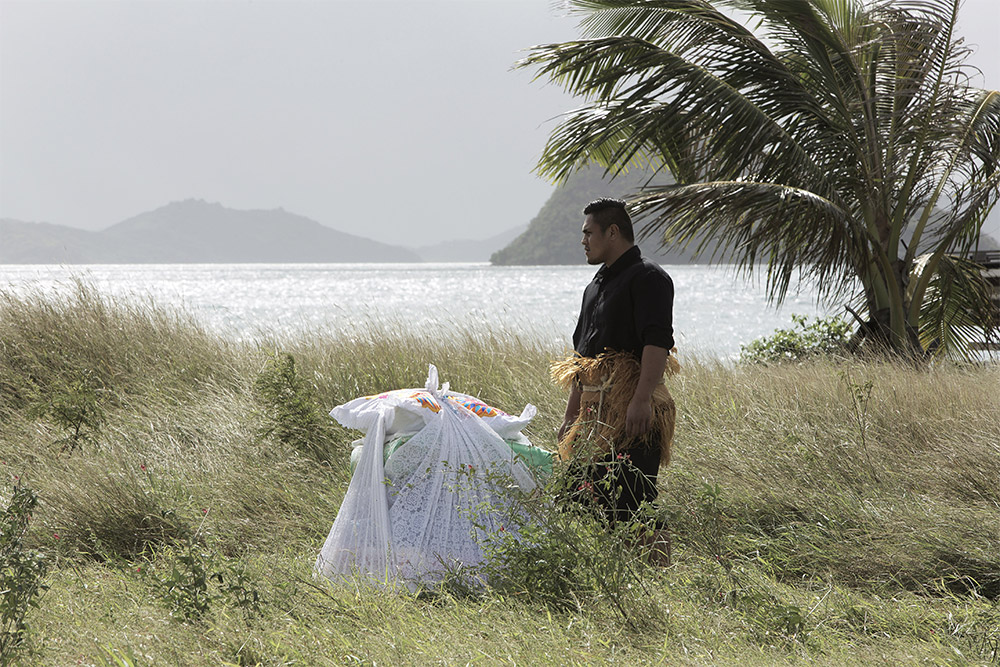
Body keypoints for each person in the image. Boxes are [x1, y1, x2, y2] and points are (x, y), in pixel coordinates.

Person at [553, 198, 676, 556]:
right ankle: (614, 575)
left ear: (613, 231)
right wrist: (570, 416)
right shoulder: (595, 286)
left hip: (634, 412)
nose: (584, 241)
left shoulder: (649, 277)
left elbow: (657, 342)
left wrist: (640, 400)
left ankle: (655, 575)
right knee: (582, 495)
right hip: (595, 417)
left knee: (636, 500)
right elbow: (584, 359)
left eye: (589, 233)